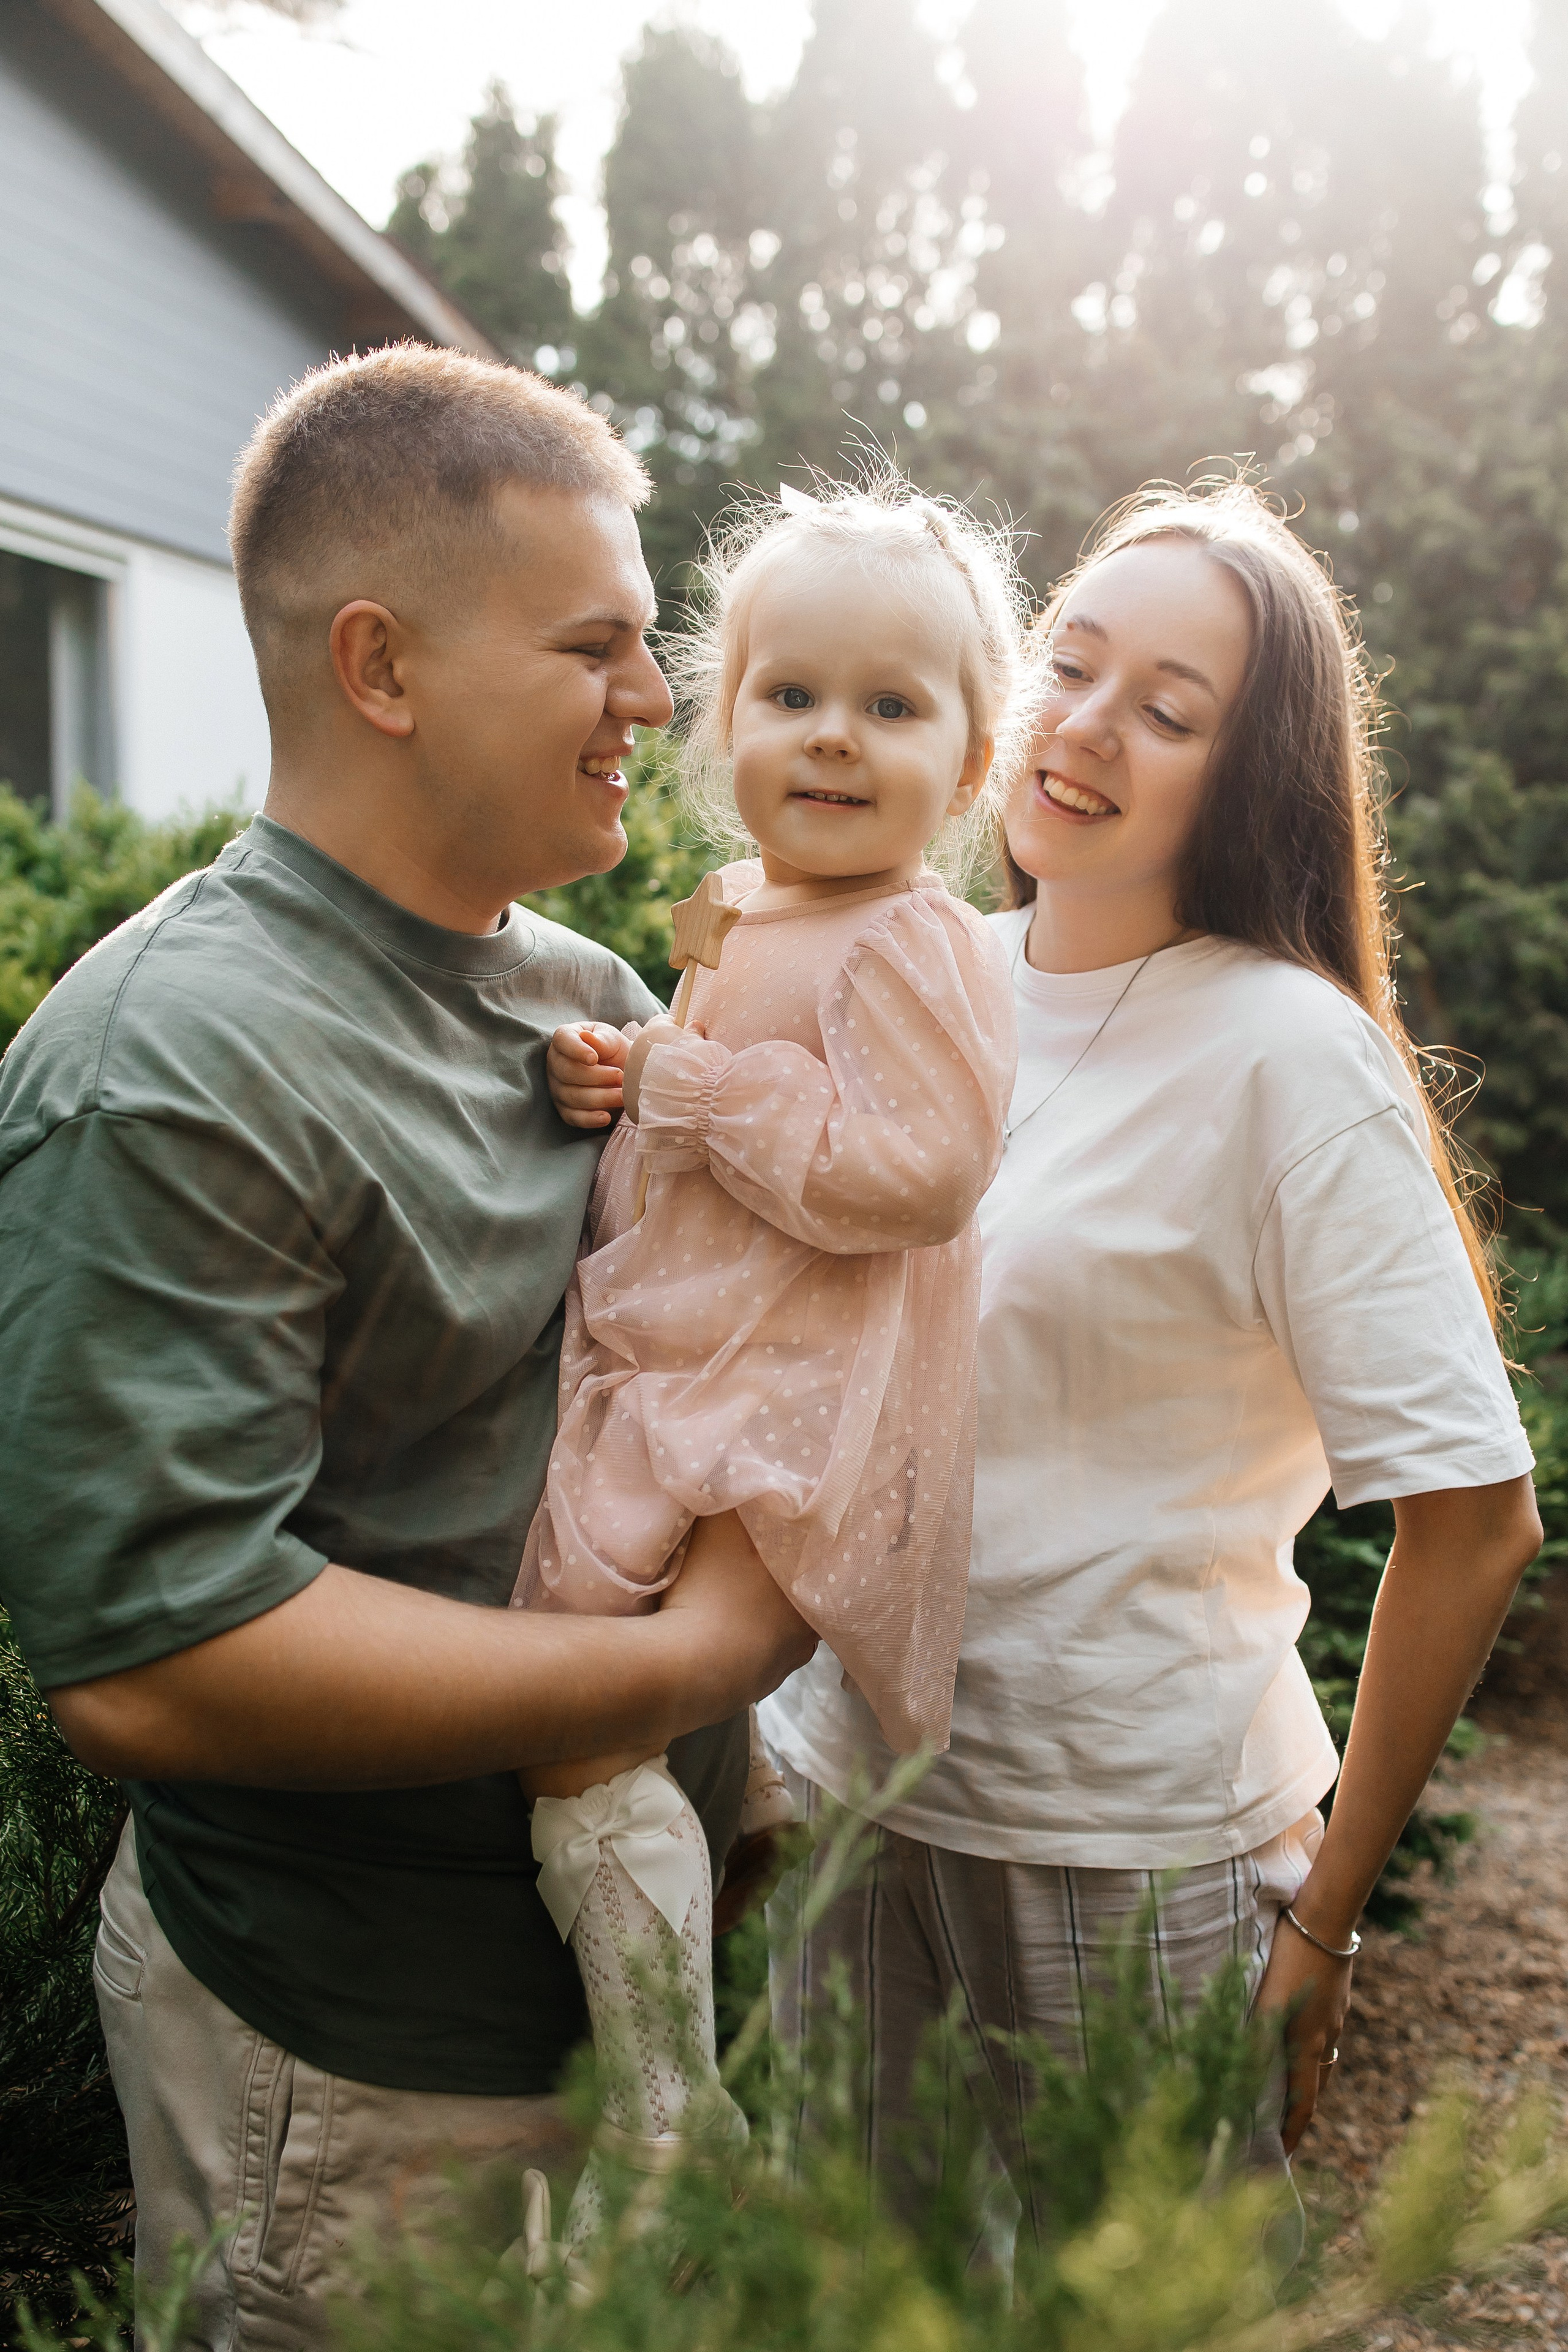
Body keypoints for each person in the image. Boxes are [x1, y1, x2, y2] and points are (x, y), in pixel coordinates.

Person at [0, 346, 812, 2348]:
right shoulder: (172, 1066)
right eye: (593, 647)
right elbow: (162, 1661)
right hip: (359, 2078)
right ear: (381, 666)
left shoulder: (591, 991)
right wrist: (687, 1667)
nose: (655, 702)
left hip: (632, 2010)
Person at [759, 478, 1542, 2237]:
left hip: (1133, 1853)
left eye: (1171, 711)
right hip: (846, 1802)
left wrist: (1326, 1916)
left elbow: (1476, 1521)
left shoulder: (1288, 1057)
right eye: (1073, 663)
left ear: (1248, 776)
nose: (1090, 726)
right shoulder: (912, 972)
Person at [520, 476, 1023, 2245]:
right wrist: (625, 1077)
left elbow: (924, 1170)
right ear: (721, 717)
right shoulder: (739, 908)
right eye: (791, 693)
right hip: (681, 1353)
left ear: (972, 765)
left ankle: (668, 2113)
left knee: (584, 1709)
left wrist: (691, 1086)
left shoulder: (911, 938)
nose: (833, 737)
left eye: (892, 706)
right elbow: (699, 1110)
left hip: (786, 1391)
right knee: (586, 1722)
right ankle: (715, 1924)